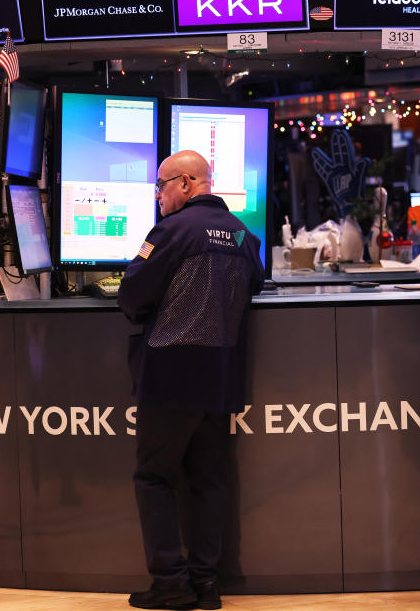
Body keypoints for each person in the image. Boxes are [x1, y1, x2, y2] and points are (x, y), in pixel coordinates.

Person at [119, 150, 264, 610]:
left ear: (184, 183)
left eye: (160, 186)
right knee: (210, 481)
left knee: (154, 479)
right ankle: (206, 584)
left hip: (170, 374)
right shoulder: (244, 236)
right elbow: (254, 287)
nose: (158, 196)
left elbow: (132, 295)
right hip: (220, 378)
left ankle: (170, 585)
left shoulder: (172, 231)